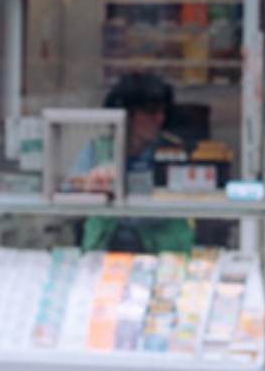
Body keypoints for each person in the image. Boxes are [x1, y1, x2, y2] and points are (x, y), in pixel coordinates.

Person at [76, 73, 194, 255]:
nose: (159, 119)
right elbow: (70, 188)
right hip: (104, 251)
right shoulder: (98, 149)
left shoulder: (171, 151)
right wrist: (91, 184)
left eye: (163, 112)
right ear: (126, 115)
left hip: (165, 251)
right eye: (151, 111)